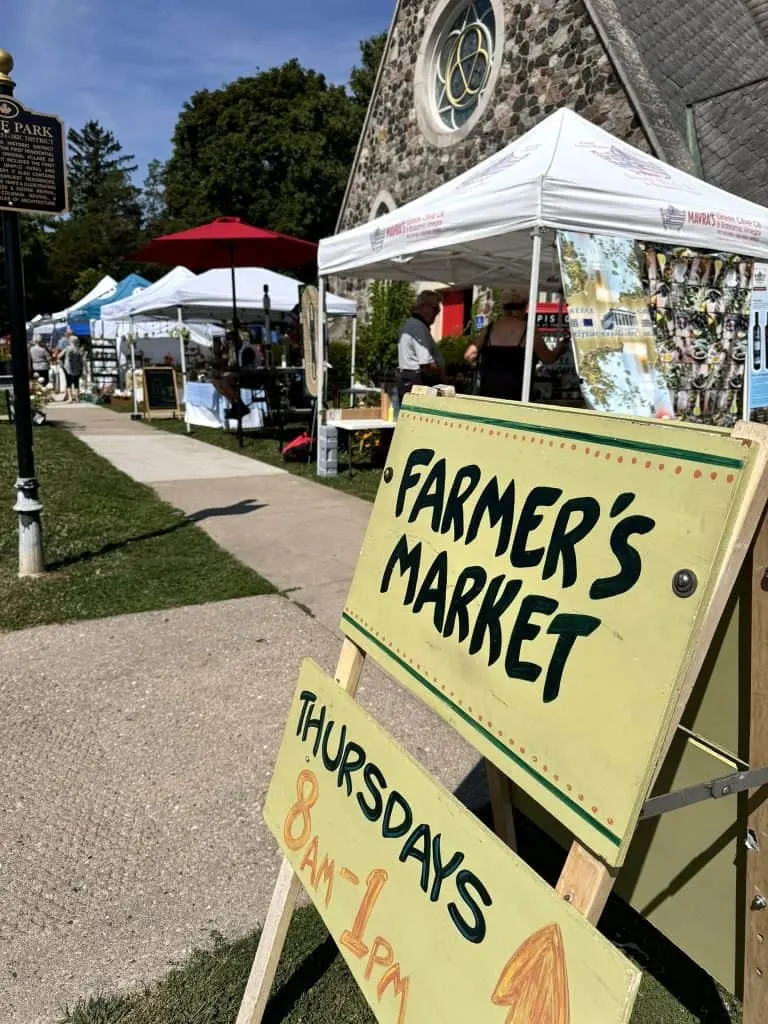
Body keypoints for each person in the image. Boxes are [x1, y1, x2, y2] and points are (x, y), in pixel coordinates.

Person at [464, 288, 569, 401]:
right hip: (517, 393)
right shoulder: (529, 330)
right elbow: (548, 358)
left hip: (489, 392)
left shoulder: (490, 328)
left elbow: (469, 355)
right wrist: (561, 348)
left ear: (504, 308)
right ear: (524, 308)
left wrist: (483, 367)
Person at [397, 290, 446, 399]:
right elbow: (426, 364)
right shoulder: (419, 328)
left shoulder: (411, 324)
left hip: (408, 379)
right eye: (436, 309)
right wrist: (442, 376)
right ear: (425, 307)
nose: (437, 313)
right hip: (418, 381)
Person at [59, 333, 84, 402]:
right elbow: (81, 360)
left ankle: (70, 398)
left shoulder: (67, 348)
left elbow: (59, 356)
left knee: (69, 383)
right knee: (76, 383)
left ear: (70, 341)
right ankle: (77, 398)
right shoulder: (79, 349)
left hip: (68, 368)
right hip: (77, 368)